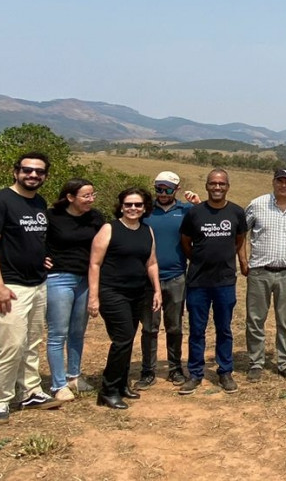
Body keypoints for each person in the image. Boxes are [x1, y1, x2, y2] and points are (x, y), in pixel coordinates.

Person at [0, 151, 63, 426]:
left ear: (45, 176)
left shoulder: (38, 202)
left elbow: (30, 238)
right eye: (28, 170)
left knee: (31, 342)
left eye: (39, 172)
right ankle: (0, 399)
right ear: (16, 172)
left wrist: (41, 256)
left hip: (36, 283)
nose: (33, 175)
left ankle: (31, 391)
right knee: (11, 344)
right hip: (8, 286)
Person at [88, 188, 161, 409]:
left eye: (138, 205)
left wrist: (157, 290)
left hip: (138, 293)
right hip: (112, 292)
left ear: (145, 207)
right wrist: (93, 297)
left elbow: (152, 262)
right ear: (121, 206)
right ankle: (108, 391)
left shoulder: (147, 230)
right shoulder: (109, 229)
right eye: (128, 204)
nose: (133, 208)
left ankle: (121, 385)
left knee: (127, 340)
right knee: (122, 338)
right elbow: (94, 263)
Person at [178, 168, 248, 395]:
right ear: (206, 186)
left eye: (221, 184)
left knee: (224, 329)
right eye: (213, 184)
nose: (217, 187)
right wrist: (199, 260)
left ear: (228, 186)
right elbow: (186, 242)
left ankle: (225, 371)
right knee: (197, 330)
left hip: (225, 281)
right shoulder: (195, 213)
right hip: (198, 281)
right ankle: (195, 373)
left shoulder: (237, 212)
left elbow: (239, 241)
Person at [135, 171, 200, 390]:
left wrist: (198, 204)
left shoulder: (186, 210)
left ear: (177, 189)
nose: (163, 193)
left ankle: (175, 368)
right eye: (159, 189)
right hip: (148, 280)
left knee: (174, 326)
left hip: (176, 277)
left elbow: (204, 225)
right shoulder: (144, 211)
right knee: (149, 328)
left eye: (168, 189)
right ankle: (147, 370)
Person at [244, 169, 286, 382]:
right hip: (260, 272)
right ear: (273, 182)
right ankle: (256, 363)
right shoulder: (257, 204)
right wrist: (244, 260)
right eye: (279, 181)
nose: (283, 185)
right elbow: (241, 233)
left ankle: (284, 363)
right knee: (255, 319)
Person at [45, 178, 105, 401]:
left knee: (77, 331)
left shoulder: (96, 218)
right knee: (57, 333)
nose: (91, 199)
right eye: (86, 196)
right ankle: (58, 384)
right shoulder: (52, 217)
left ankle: (74, 376)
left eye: (92, 195)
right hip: (58, 278)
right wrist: (40, 257)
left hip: (85, 280)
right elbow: (33, 239)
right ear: (70, 197)